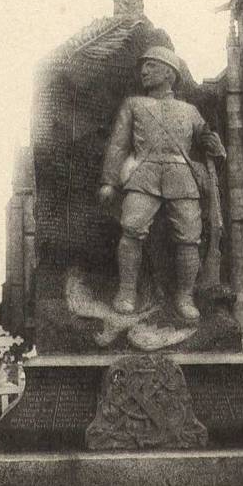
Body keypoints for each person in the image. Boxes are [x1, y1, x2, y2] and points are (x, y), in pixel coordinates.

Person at [99, 46, 226, 320]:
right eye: (143, 66)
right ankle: (127, 292)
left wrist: (214, 145)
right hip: (143, 174)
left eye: (151, 66)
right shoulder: (133, 104)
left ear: (169, 73)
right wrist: (109, 181)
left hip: (182, 178)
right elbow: (119, 145)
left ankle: (185, 297)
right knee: (131, 229)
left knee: (189, 238)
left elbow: (206, 139)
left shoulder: (190, 111)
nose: (144, 71)